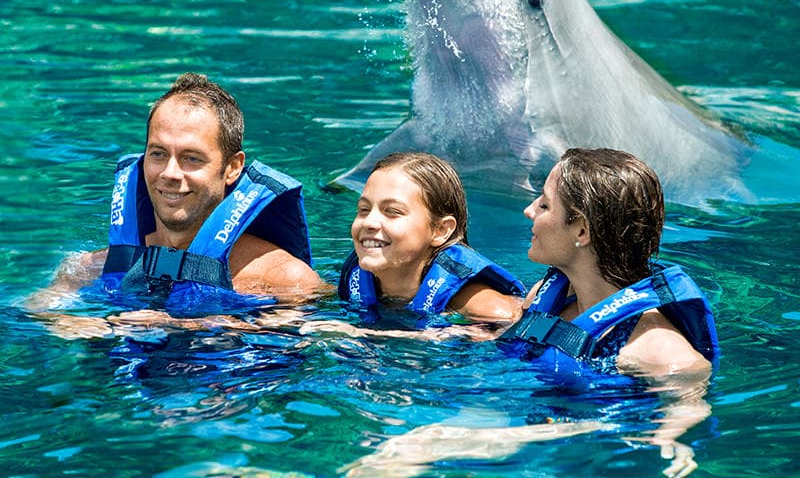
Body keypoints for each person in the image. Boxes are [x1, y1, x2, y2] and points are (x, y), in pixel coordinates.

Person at [28, 72, 330, 326]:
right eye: (158, 154)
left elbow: (313, 340)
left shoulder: (287, 280)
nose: (170, 173)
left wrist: (182, 327)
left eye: (191, 158)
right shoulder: (91, 267)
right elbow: (35, 309)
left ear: (232, 167)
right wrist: (66, 322)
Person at [501, 147, 719, 377]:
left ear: (582, 231)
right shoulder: (546, 298)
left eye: (545, 205)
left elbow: (687, 411)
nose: (529, 210)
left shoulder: (661, 354)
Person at [338, 151, 525, 323]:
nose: (369, 222)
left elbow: (510, 319)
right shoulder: (355, 278)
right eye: (364, 209)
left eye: (393, 211)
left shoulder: (472, 302)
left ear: (441, 230)